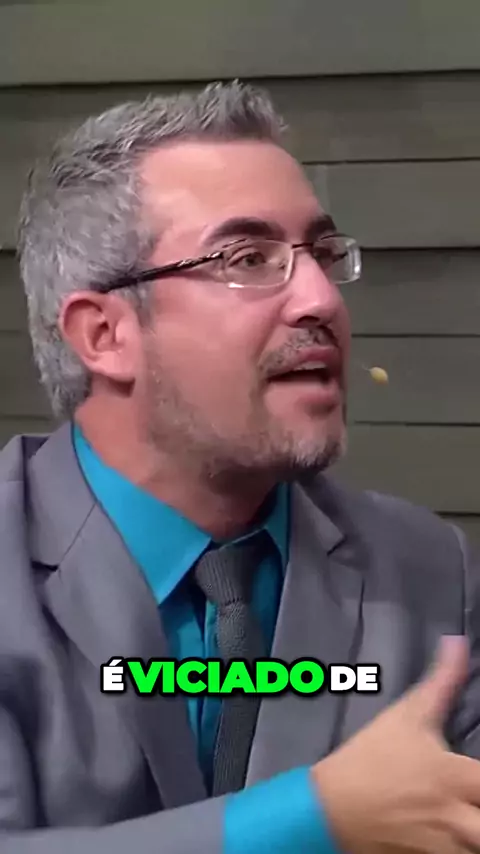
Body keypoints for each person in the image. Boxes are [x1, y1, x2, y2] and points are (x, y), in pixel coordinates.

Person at [1, 80, 480, 854]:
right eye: (248, 259)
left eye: (323, 254)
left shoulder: (430, 573)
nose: (320, 299)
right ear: (104, 335)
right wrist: (308, 822)